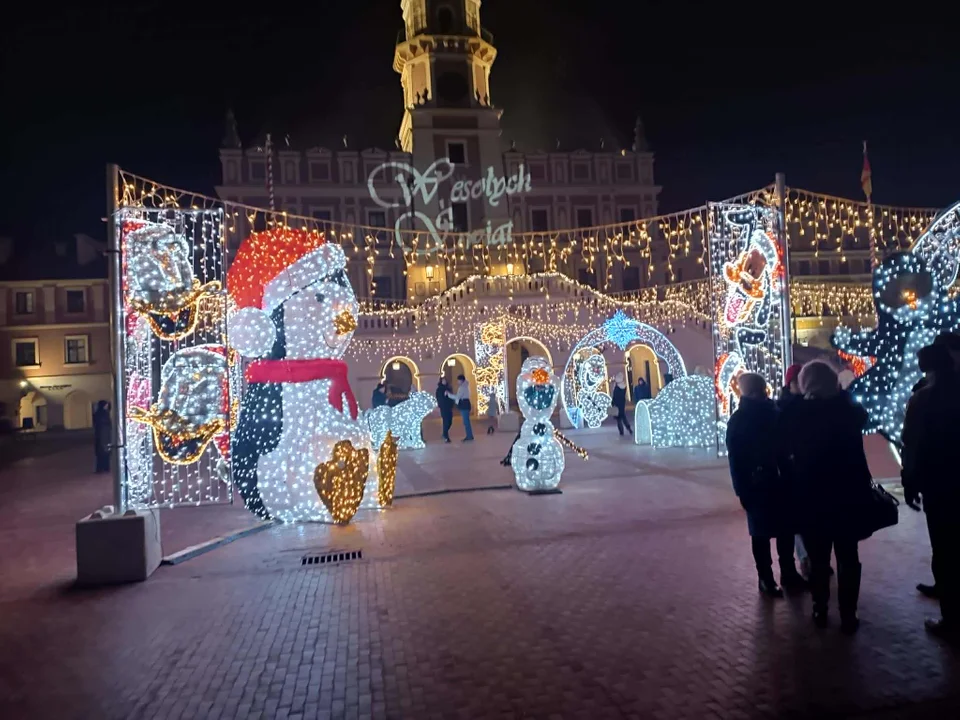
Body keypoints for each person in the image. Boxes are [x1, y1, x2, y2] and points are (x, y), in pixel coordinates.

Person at [779, 361, 873, 633]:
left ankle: (820, 606)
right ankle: (848, 612)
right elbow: (862, 417)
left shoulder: (796, 412)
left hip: (811, 495)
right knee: (848, 556)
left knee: (818, 558)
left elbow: (782, 444)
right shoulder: (846, 410)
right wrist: (841, 393)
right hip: (847, 493)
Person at [726, 373, 804, 598]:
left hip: (776, 481)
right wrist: (742, 489)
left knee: (783, 530)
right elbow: (737, 459)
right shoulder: (746, 419)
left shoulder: (771, 413)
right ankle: (767, 577)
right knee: (763, 533)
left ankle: (784, 573)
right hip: (760, 483)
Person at [901, 341, 960, 639]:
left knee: (945, 549)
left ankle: (952, 618)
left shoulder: (923, 398)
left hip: (940, 483)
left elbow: (912, 444)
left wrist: (910, 482)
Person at [776, 363, 811, 577]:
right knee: (795, 521)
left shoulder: (801, 405)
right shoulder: (785, 407)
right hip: (792, 472)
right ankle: (804, 559)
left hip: (801, 471)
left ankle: (808, 558)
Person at [446, 374, 474, 441]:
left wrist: (448, 394)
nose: (457, 382)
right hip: (466, 404)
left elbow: (457, 397)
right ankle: (469, 435)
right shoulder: (465, 386)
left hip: (464, 405)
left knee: (466, 421)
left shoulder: (462, 388)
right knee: (466, 421)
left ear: (461, 380)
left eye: (458, 380)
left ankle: (469, 436)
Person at [93, 400, 112, 474]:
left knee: (100, 453)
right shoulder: (104, 414)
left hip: (99, 435)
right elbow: (107, 424)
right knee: (105, 451)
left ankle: (100, 468)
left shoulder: (97, 414)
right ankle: (105, 467)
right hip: (104, 435)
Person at [436, 378, 454, 443]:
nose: (444, 381)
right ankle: (446, 437)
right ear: (441, 381)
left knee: (450, 422)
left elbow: (451, 396)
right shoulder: (439, 389)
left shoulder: (449, 388)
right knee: (446, 421)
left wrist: (452, 404)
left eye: (445, 380)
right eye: (443, 380)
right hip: (444, 408)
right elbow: (439, 398)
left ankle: (444, 433)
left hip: (449, 407)